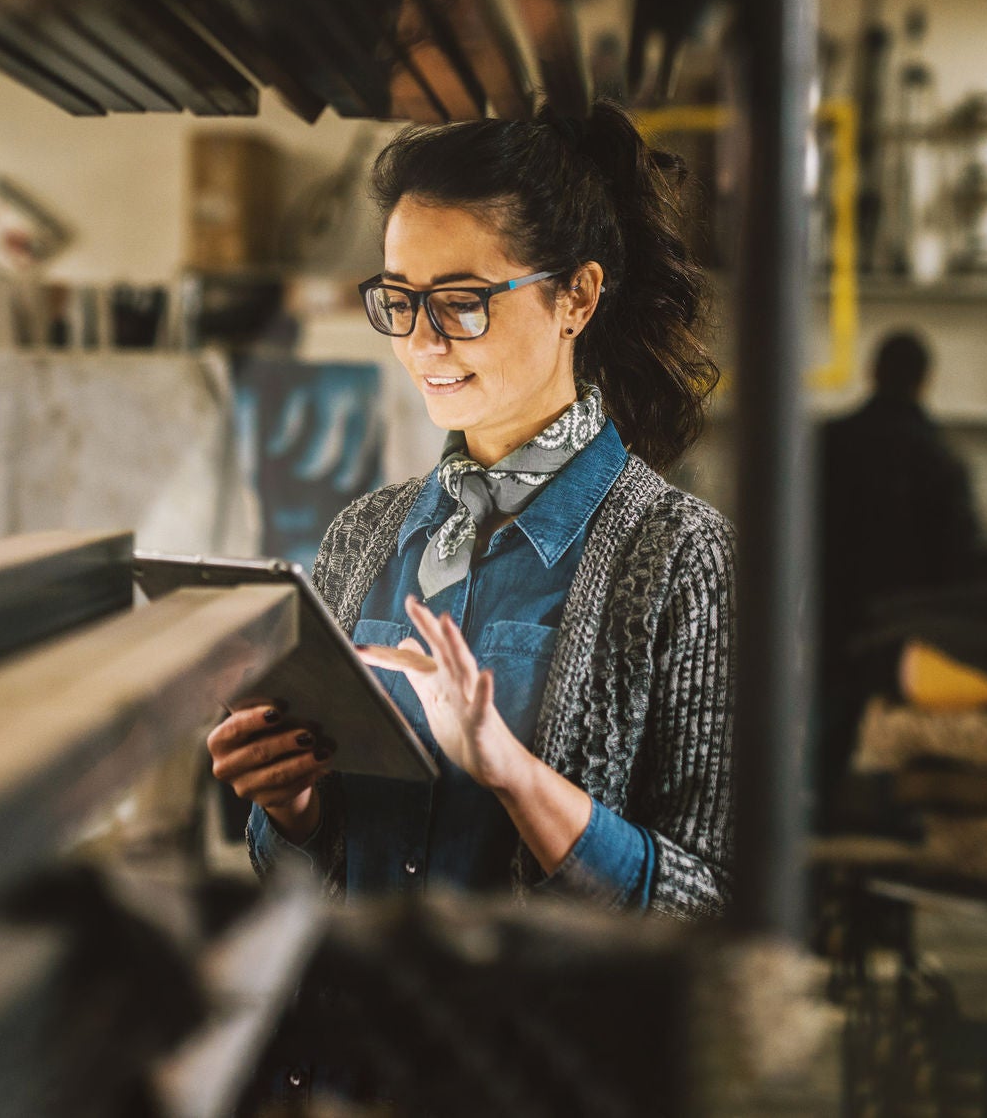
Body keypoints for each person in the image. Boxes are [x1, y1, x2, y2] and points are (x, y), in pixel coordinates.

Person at [206, 101, 734, 921]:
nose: (422, 341)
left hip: (546, 1042)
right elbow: (302, 879)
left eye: (460, 300)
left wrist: (513, 773)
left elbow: (712, 904)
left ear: (577, 297)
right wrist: (292, 810)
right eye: (398, 299)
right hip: (361, 1036)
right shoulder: (361, 536)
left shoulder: (681, 556)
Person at [815, 329, 980, 823]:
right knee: (900, 740)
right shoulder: (942, 459)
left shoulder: (827, 443)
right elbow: (959, 563)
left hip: (832, 615)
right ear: (925, 381)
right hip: (907, 633)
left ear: (871, 372)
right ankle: (888, 839)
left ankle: (813, 839)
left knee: (825, 735)